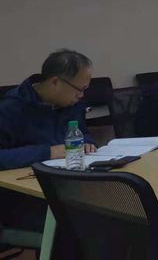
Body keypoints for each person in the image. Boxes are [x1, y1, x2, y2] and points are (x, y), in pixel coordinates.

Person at [0, 49, 97, 233]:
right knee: (89, 225)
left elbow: (82, 131)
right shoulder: (11, 108)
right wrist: (48, 152)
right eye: (80, 89)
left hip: (70, 186)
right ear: (55, 82)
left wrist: (87, 142)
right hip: (26, 198)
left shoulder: (70, 104)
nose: (81, 96)